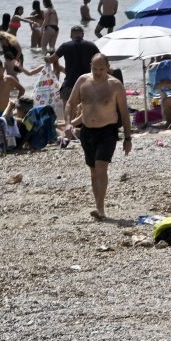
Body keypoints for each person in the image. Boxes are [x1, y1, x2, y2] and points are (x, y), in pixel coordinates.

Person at [65, 54, 132, 220]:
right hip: (87, 132)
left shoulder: (115, 85)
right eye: (94, 69)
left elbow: (124, 113)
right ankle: (98, 205)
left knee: (101, 167)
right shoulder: (82, 81)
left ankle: (101, 209)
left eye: (101, 69)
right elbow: (70, 103)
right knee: (94, 172)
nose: (98, 72)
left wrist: (128, 138)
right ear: (90, 66)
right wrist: (67, 123)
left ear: (108, 67)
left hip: (107, 131)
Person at [46, 25, 100, 106]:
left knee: (68, 112)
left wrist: (46, 56)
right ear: (82, 34)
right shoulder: (91, 46)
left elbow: (51, 60)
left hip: (69, 85)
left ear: (71, 35)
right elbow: (101, 60)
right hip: (87, 85)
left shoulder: (65, 46)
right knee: (84, 113)